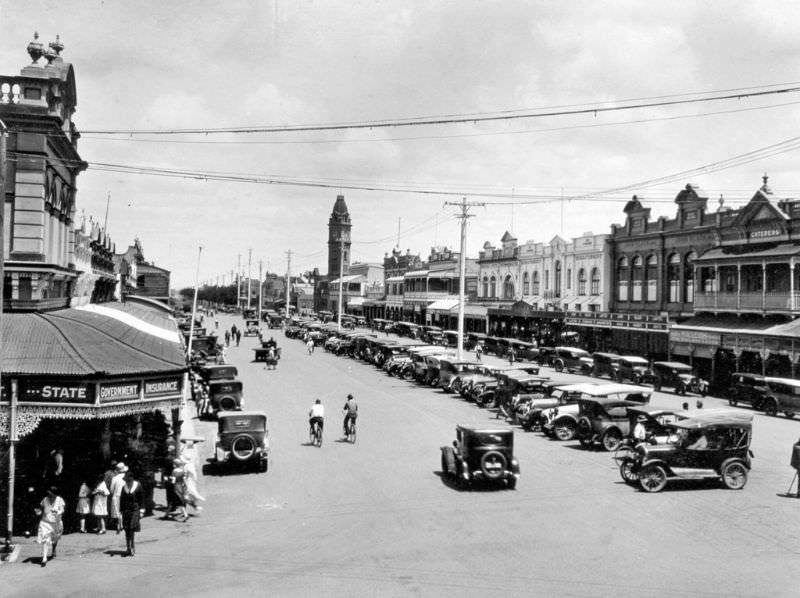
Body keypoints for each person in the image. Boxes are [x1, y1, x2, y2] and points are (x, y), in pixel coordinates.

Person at [35, 487, 64, 567]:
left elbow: (62, 510)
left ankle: (53, 550)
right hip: (45, 522)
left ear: (55, 495)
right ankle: (44, 558)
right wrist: (38, 512)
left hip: (56, 523)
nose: (50, 496)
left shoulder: (59, 500)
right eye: (49, 494)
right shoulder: (45, 499)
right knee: (45, 539)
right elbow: (40, 509)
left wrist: (58, 512)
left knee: (55, 539)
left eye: (52, 495)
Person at [119, 472, 145, 556]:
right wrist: (120, 512)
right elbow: (122, 500)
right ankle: (128, 547)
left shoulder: (138, 486)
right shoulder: (124, 488)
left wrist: (142, 510)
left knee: (131, 527)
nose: (127, 482)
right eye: (126, 480)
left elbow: (141, 499)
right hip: (126, 511)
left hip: (135, 509)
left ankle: (132, 546)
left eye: (128, 480)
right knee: (127, 529)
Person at [109, 462, 128, 531]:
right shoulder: (127, 477)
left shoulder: (115, 478)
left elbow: (111, 489)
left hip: (116, 495)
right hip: (125, 496)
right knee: (123, 510)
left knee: (117, 510)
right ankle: (123, 524)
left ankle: (119, 524)